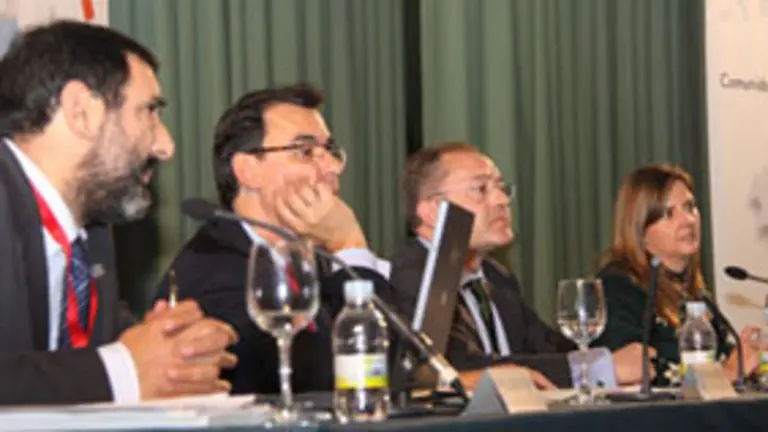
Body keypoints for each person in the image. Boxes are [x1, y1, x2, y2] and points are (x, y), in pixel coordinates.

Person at [0, 20, 237, 405]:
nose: (166, 145)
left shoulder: (91, 230)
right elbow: (113, 368)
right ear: (81, 111)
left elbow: (90, 356)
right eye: (148, 112)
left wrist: (169, 350)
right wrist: (124, 369)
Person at [153, 84, 393, 395]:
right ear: (247, 170)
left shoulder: (302, 258)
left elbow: (400, 363)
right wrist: (349, 244)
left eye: (330, 151)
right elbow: (330, 377)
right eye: (305, 152)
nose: (332, 167)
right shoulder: (214, 271)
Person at [389, 142, 651, 390]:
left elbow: (548, 349)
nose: (502, 200)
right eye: (481, 190)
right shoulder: (411, 278)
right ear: (433, 211)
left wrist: (609, 356)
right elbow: (457, 366)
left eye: (501, 188)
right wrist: (595, 368)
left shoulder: (495, 277)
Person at [592, 163, 761, 386]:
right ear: (640, 231)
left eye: (690, 207)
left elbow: (719, 356)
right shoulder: (618, 286)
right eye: (668, 214)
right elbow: (636, 373)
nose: (688, 221)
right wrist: (725, 373)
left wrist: (750, 356)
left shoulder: (693, 289)